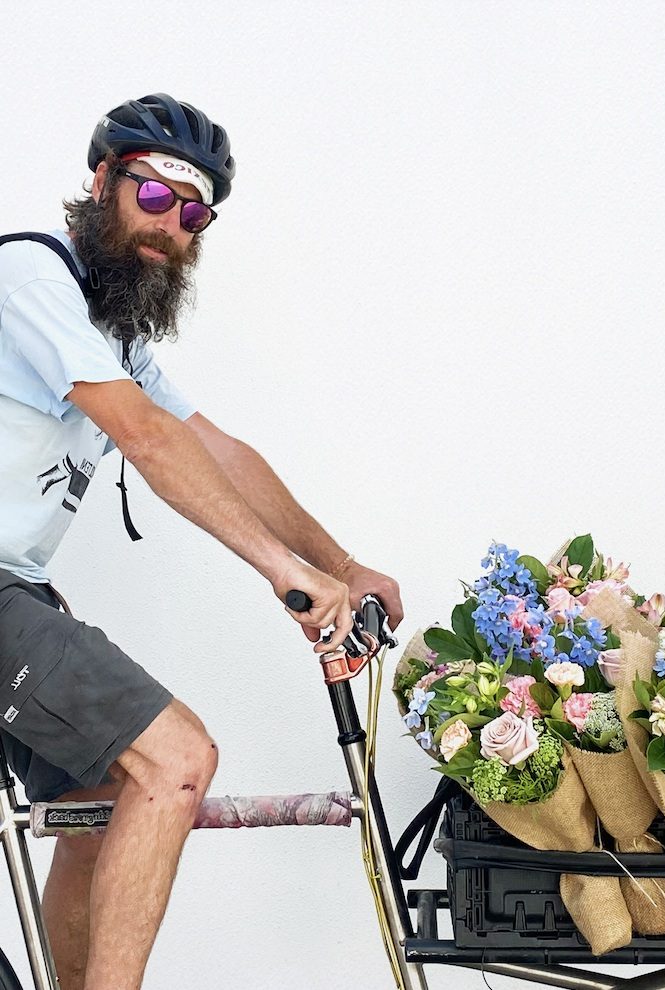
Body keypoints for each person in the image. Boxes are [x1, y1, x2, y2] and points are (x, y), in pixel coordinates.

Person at [0, 93, 404, 990]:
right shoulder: (31, 277)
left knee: (101, 796)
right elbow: (144, 437)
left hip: (15, 591)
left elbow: (214, 448)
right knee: (175, 757)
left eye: (194, 215)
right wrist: (280, 571)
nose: (171, 228)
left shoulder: (116, 336)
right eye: (154, 197)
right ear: (101, 181)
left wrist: (340, 566)